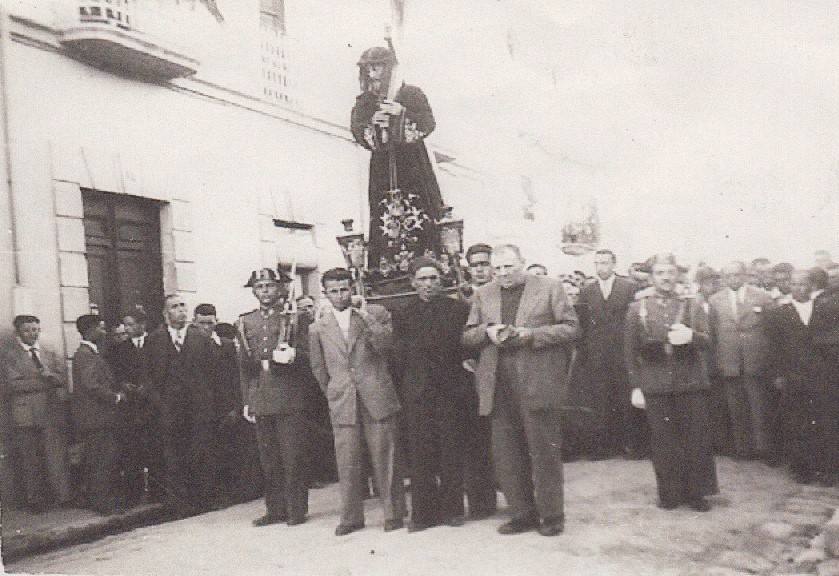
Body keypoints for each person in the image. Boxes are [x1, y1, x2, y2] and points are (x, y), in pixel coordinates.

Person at [463, 244, 578, 536]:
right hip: (498, 386)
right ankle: (522, 514)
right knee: (507, 456)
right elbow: (468, 335)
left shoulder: (550, 287)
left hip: (537, 382)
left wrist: (531, 335)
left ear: (522, 263)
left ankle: (552, 516)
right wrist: (487, 331)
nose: (502, 274)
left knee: (543, 454)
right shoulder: (483, 293)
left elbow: (571, 328)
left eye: (509, 267)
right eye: (497, 268)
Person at [309, 268, 405, 536]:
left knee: (386, 455)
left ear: (353, 288)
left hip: (376, 394)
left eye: (345, 289)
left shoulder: (374, 314)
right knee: (347, 460)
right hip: (342, 399)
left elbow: (386, 344)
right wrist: (334, 391)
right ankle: (351, 518)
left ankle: (394, 513)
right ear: (325, 294)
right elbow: (319, 369)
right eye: (334, 291)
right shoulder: (317, 327)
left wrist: (363, 314)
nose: (341, 296)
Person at [624, 253, 717, 511]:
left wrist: (692, 336)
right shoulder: (638, 308)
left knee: (695, 438)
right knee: (663, 441)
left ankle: (697, 493)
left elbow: (709, 341)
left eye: (670, 272)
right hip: (655, 384)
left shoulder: (692, 303)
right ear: (652, 277)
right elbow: (629, 350)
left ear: (678, 274)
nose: (666, 277)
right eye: (660, 273)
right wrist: (635, 386)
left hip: (689, 381)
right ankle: (669, 493)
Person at [393, 258, 472, 531]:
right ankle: (423, 515)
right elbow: (399, 355)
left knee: (451, 451)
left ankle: (452, 511)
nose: (428, 284)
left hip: (450, 391)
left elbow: (464, 349)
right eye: (422, 279)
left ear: (442, 280)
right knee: (420, 454)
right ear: (413, 282)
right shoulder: (402, 313)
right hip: (417, 393)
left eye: (433, 278)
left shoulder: (458, 310)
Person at [350, 45, 443, 276]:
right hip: (382, 167)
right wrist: (375, 124)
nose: (373, 74)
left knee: (420, 209)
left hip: (412, 165)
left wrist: (401, 113)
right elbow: (359, 131)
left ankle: (429, 262)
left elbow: (428, 123)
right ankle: (385, 268)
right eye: (369, 69)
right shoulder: (364, 103)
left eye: (378, 67)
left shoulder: (411, 94)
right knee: (383, 215)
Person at [237, 268, 309, 527]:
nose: (265, 291)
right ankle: (275, 509)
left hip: (289, 393)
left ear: (279, 289)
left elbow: (310, 355)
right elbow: (244, 365)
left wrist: (294, 355)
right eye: (260, 287)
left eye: (270, 286)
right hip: (261, 394)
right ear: (254, 291)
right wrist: (247, 400)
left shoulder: (295, 319)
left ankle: (296, 509)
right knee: (269, 459)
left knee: (292, 456)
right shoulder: (246, 322)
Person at [145, 294, 214, 516]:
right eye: (175, 307)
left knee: (199, 453)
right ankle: (179, 504)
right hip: (169, 410)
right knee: (173, 456)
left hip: (198, 410)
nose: (181, 311)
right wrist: (160, 404)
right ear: (166, 314)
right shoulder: (154, 340)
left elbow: (213, 375)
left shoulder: (200, 338)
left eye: (183, 306)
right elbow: (147, 377)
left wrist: (207, 404)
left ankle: (202, 500)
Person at [576, 249, 641, 460]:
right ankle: (602, 446)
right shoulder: (587, 290)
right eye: (597, 263)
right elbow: (583, 323)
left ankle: (630, 444)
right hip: (597, 353)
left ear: (614, 264)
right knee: (600, 400)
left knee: (625, 397)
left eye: (605, 263)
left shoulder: (628, 287)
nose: (601, 267)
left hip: (622, 351)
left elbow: (635, 320)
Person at [1, 315, 71, 511]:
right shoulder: (10, 357)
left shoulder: (48, 352)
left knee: (55, 456)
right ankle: (35, 500)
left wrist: (53, 377)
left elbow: (63, 377)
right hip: (26, 415)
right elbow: (12, 385)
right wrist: (46, 381)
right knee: (30, 458)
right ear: (18, 333)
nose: (32, 334)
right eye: (27, 330)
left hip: (50, 411)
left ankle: (62, 497)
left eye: (35, 329)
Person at [765, 270, 828, 483]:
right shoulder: (779, 314)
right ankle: (801, 468)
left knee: (823, 420)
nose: (798, 288)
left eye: (803, 284)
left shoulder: (824, 310)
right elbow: (773, 348)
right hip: (794, 375)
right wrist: (778, 374)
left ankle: (824, 466)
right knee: (797, 421)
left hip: (823, 375)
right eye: (794, 284)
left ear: (811, 285)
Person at [708, 261, 773, 461]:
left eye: (736, 275)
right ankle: (743, 448)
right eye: (728, 276)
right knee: (736, 407)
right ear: (723, 278)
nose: (732, 279)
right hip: (730, 361)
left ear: (744, 275)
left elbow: (770, 330)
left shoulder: (762, 297)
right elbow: (713, 333)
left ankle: (763, 449)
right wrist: (718, 360)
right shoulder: (715, 300)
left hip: (755, 359)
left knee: (759, 405)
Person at [72, 314, 125, 514]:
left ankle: (102, 500)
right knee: (101, 460)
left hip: (99, 418)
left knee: (103, 458)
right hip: (96, 419)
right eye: (101, 328)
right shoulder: (85, 355)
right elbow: (92, 385)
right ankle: (101, 503)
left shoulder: (90, 353)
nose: (103, 332)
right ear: (90, 330)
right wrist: (115, 397)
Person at [461, 243, 498, 519]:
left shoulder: (502, 294)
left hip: (501, 374)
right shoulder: (461, 298)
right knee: (475, 441)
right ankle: (482, 503)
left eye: (485, 264)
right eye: (475, 265)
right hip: (471, 375)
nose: (481, 269)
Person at [192, 303, 240, 509]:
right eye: (201, 323)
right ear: (194, 323)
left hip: (224, 407)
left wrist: (234, 407)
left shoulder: (227, 345)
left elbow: (235, 378)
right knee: (204, 453)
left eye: (209, 323)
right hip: (200, 410)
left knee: (226, 450)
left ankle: (227, 493)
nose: (205, 327)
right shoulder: (188, 346)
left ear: (216, 322)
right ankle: (207, 496)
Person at [296, 294, 338, 488]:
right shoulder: (295, 332)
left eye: (310, 307)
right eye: (302, 308)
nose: (307, 311)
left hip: (323, 387)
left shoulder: (322, 328)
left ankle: (329, 471)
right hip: (305, 389)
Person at [693, 267, 731, 456]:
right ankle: (710, 442)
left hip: (720, 357)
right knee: (705, 402)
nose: (714, 286)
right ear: (700, 284)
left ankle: (722, 441)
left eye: (716, 281)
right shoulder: (694, 303)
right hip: (702, 359)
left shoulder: (722, 300)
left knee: (720, 401)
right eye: (708, 282)